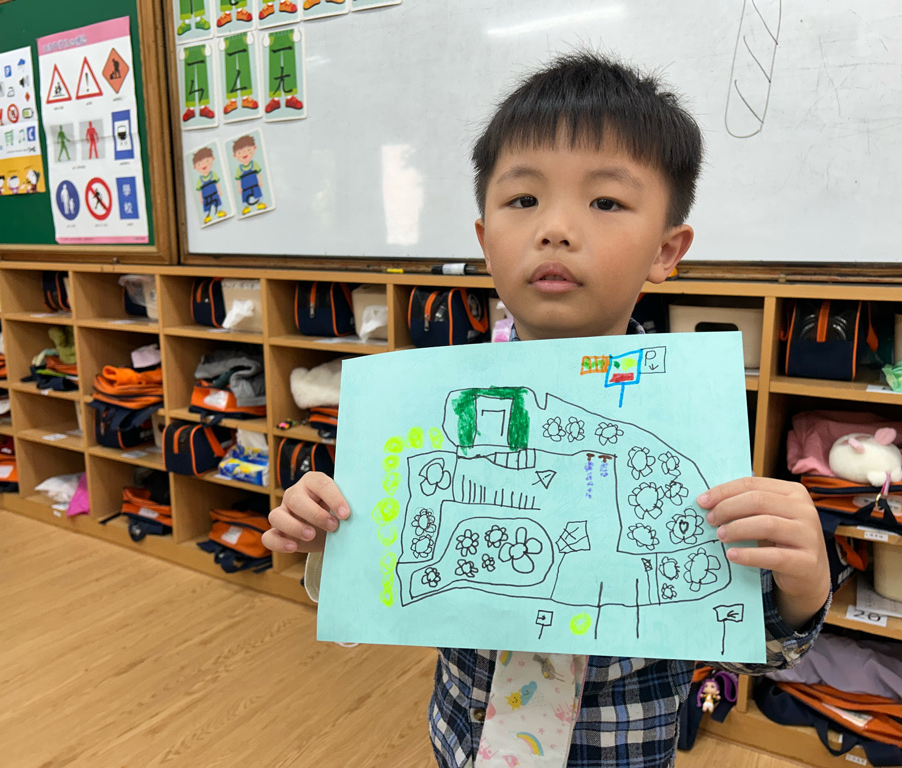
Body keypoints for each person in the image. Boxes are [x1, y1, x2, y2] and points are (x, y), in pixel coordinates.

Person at [261, 52, 832, 768]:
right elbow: (375, 598)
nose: (555, 228)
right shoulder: (434, 408)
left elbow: (749, 643)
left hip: (620, 750)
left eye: (606, 202)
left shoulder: (686, 423)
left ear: (667, 250)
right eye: (524, 200)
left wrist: (802, 584)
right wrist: (331, 541)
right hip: (463, 739)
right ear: (484, 241)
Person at [192, 147, 227, 224]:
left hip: (214, 193)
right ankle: (207, 216)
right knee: (206, 206)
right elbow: (199, 189)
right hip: (205, 197)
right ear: (195, 167)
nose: (203, 165)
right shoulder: (200, 180)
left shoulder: (212, 174)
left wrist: (219, 190)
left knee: (217, 202)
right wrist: (200, 198)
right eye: (199, 164)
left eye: (207, 161)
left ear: (213, 159)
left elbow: (217, 182)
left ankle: (219, 211)